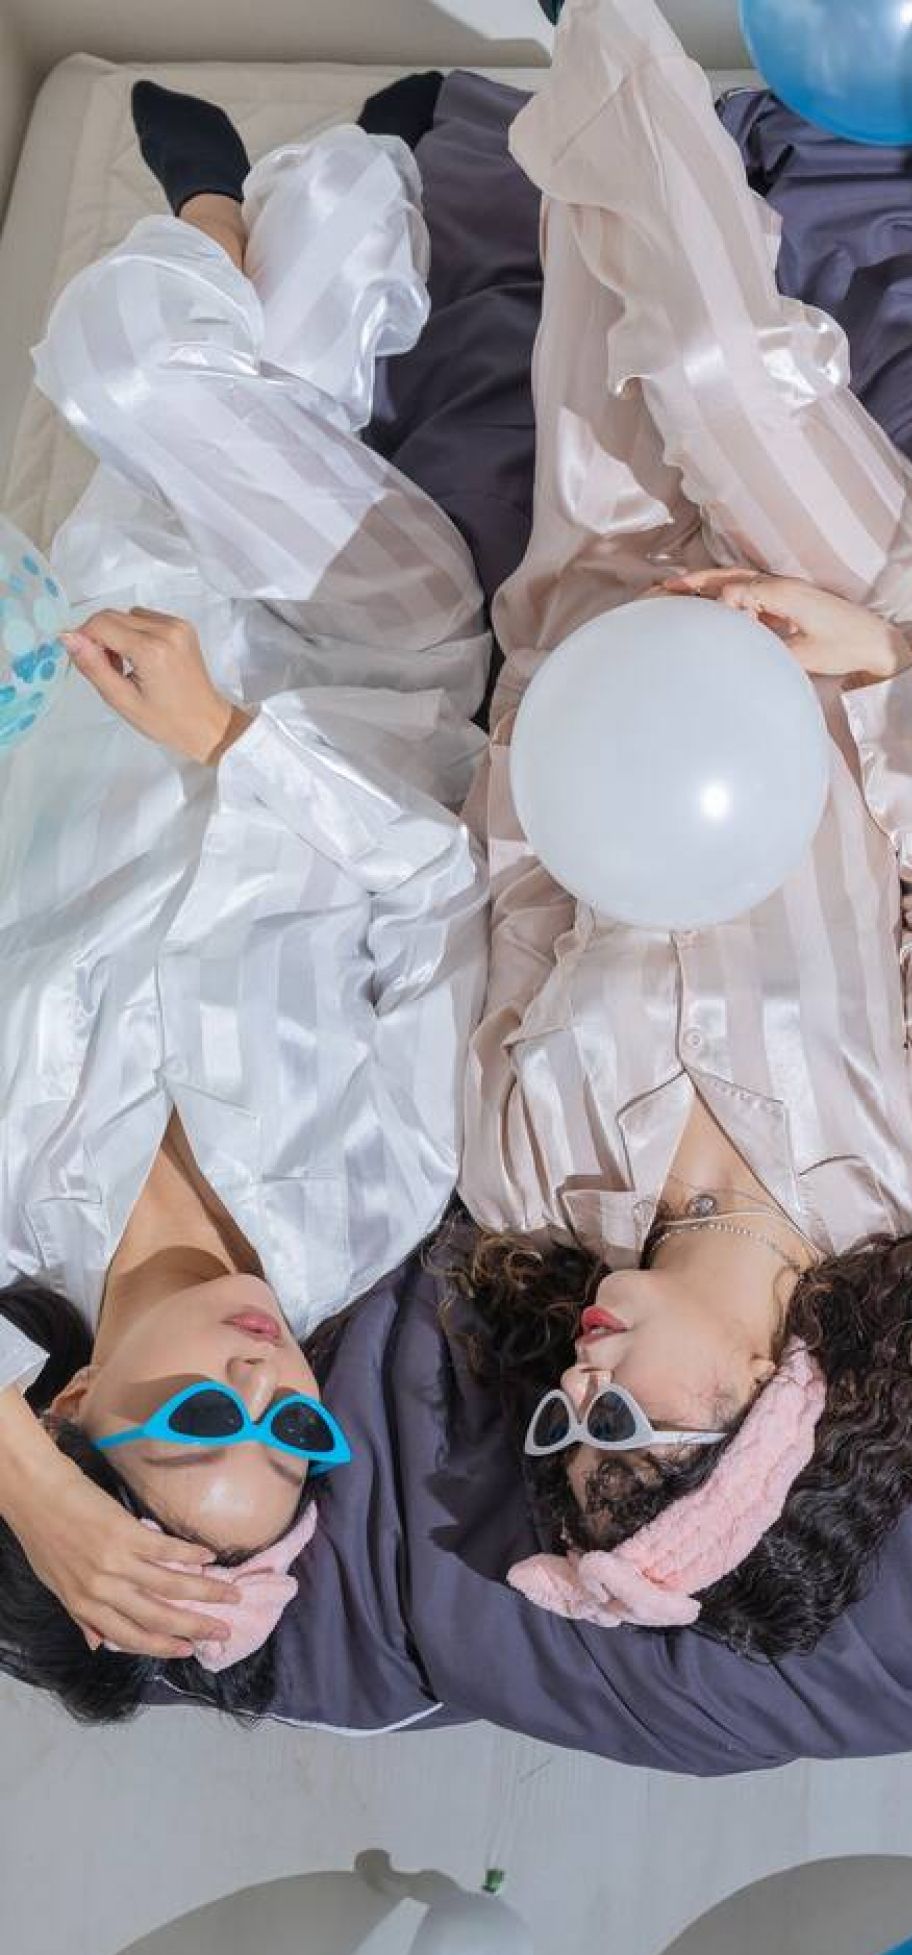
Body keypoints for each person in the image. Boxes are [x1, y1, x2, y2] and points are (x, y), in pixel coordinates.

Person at [452, 0, 912, 1655]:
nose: (582, 1385)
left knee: (588, 283)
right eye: (628, 1424)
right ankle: (602, 19)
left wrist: (560, 662)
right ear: (770, 1397)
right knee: (704, 359)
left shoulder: (523, 1170)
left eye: (560, 1425)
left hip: (594, 621)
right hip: (850, 625)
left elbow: (517, 879)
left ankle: (597, 63)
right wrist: (884, 668)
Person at [0, 78, 489, 1720]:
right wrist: (229, 739)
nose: (262, 1376)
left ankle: (252, 220)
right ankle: (251, 211)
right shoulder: (367, 1205)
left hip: (120, 613)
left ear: (74, 1407)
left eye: (203, 1418)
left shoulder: (14, 1192)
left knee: (273, 300)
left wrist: (35, 1490)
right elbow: (441, 888)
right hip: (365, 653)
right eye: (296, 1429)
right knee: (135, 361)